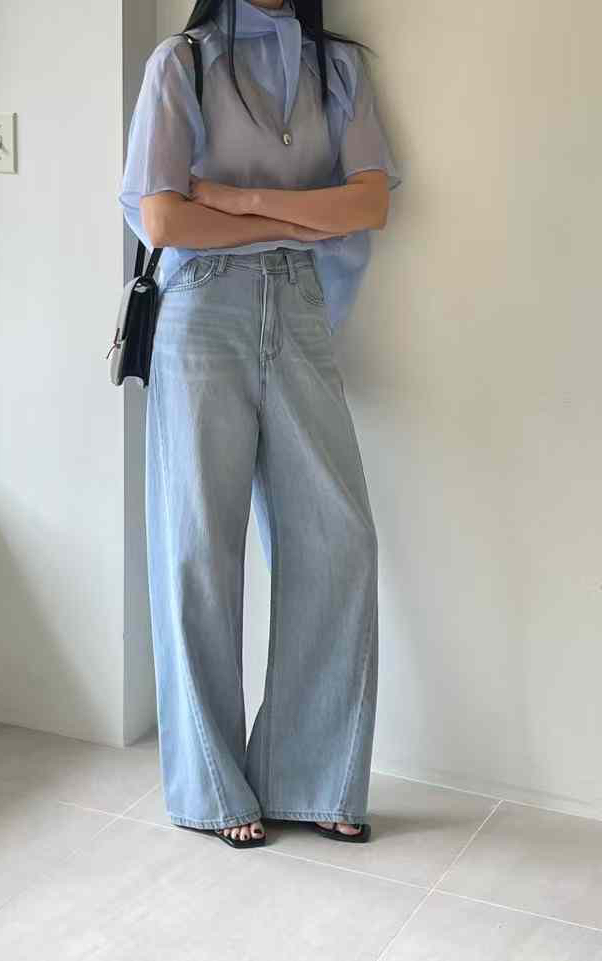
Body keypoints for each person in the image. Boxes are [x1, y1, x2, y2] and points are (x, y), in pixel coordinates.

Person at [119, 0, 402, 849]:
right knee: (198, 545)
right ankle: (209, 783)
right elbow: (164, 219)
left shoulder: (338, 67)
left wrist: (241, 202)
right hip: (201, 311)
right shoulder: (182, 64)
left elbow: (370, 203)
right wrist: (303, 214)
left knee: (339, 539)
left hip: (301, 306)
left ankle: (309, 775)